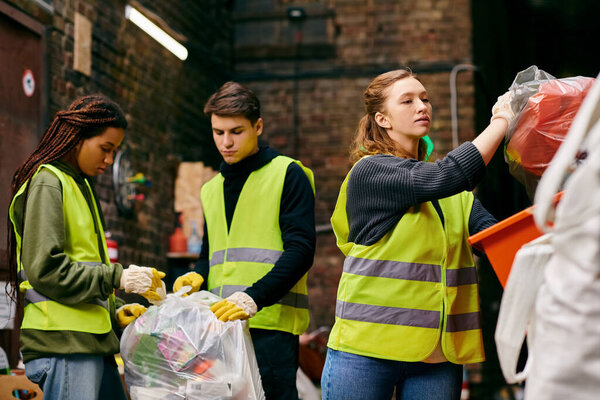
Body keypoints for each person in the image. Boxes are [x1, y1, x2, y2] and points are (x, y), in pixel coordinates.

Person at [320, 68, 515, 400]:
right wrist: (501, 122)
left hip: (436, 358)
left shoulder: (456, 197)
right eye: (407, 101)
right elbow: (443, 177)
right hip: (367, 352)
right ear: (383, 119)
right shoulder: (372, 171)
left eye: (424, 99)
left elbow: (504, 242)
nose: (421, 106)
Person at [6, 94, 165, 400]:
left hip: (91, 344)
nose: (108, 160)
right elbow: (47, 270)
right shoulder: (48, 182)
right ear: (78, 137)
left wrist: (116, 310)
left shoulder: (81, 187)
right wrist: (118, 278)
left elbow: (84, 268)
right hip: (64, 347)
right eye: (105, 149)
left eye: (114, 152)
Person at [172, 81, 316, 399]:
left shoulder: (287, 174)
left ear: (258, 126)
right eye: (218, 132)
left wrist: (253, 298)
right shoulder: (210, 189)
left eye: (236, 131)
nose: (226, 142)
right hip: (221, 330)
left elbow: (301, 250)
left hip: (271, 329)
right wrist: (198, 273)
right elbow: (210, 253)